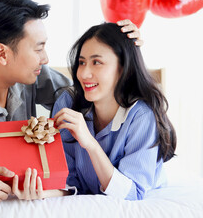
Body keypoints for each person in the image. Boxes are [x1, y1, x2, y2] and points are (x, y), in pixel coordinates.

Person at [0, 0, 142, 203]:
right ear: (2, 54)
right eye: (39, 48)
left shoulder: (31, 74)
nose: (46, 58)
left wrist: (127, 50)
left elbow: (92, 93)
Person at [49, 22, 177, 200]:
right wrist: (43, 192)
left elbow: (132, 193)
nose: (84, 74)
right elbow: (70, 182)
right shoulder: (68, 102)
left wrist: (90, 144)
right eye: (81, 62)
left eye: (97, 62)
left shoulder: (142, 116)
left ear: (123, 67)